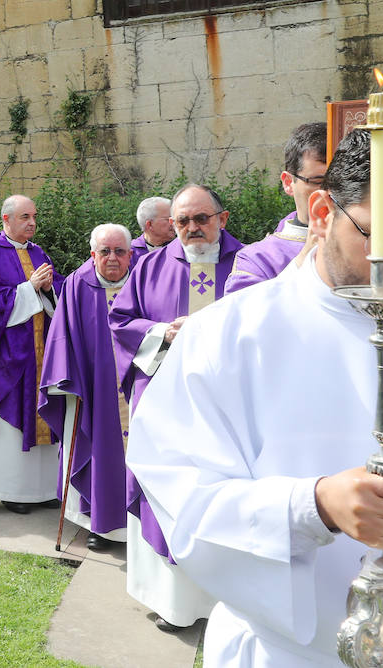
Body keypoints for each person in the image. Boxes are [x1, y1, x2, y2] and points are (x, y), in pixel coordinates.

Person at [128, 126, 383, 666]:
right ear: (322, 212)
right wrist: (314, 506)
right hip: (291, 652)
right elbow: (182, 495)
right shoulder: (230, 336)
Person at [110, 183, 243, 631]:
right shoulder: (149, 266)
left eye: (200, 219)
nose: (190, 229)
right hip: (166, 407)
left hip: (230, 410)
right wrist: (164, 332)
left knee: (222, 495)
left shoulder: (250, 264)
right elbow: (121, 321)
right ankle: (174, 602)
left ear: (222, 219)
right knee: (165, 494)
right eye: (182, 221)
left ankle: (229, 601)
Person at [38, 223, 132, 551]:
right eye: (104, 252)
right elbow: (61, 337)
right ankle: (99, 525)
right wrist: (70, 382)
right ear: (93, 255)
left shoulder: (143, 279)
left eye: (119, 251)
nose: (112, 258)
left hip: (138, 391)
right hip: (93, 394)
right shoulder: (79, 284)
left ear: (130, 254)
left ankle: (138, 524)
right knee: (95, 452)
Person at [0, 194, 59, 512]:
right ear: (6, 220)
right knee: (9, 429)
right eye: (24, 217)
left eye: (34, 216)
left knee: (43, 416)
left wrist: (48, 289)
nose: (32, 222)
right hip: (6, 356)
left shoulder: (39, 252)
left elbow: (55, 292)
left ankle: (43, 489)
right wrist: (29, 288)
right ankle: (13, 491)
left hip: (39, 354)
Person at [226, 122, 328, 293]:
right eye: (318, 182)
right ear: (289, 183)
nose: (330, 192)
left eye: (343, 182)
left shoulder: (373, 245)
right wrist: (304, 259)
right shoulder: (258, 259)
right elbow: (245, 316)